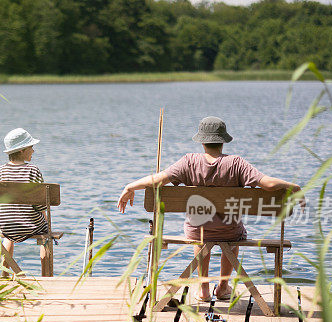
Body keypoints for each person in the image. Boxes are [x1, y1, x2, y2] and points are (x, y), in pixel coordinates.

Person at [116, 116, 302, 301]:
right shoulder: (236, 163)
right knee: (234, 235)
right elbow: (268, 184)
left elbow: (157, 180)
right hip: (229, 231)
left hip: (197, 232)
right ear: (223, 141)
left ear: (202, 141)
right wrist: (294, 186)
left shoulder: (188, 162)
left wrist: (130, 186)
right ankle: (222, 287)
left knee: (200, 235)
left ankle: (203, 289)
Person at [0, 128, 50, 274]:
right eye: (31, 147)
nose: (33, 151)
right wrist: (46, 221)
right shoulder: (33, 170)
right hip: (30, 226)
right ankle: (46, 275)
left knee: (8, 235)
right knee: (46, 233)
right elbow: (40, 205)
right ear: (22, 150)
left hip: (6, 226)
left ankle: (4, 274)